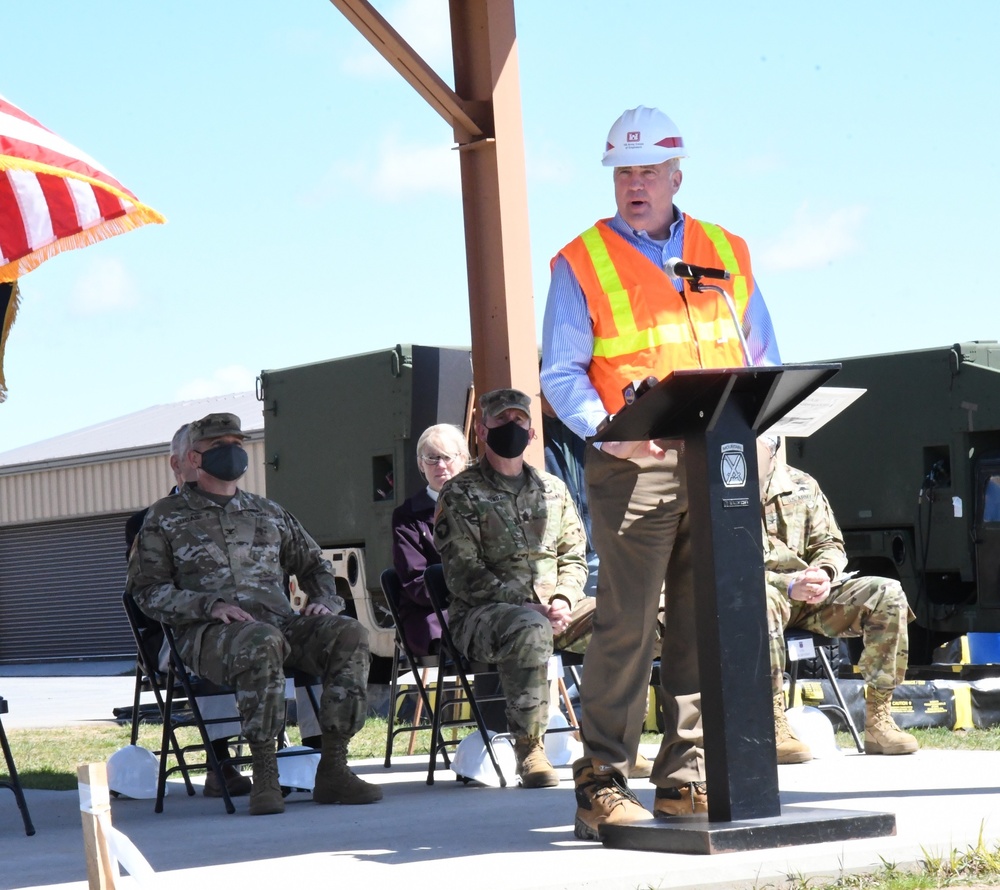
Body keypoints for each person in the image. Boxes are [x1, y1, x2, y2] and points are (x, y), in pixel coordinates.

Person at [539, 105, 781, 839]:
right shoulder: (580, 260)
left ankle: (685, 778)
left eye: (648, 170)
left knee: (701, 624)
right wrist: (606, 435)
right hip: (634, 464)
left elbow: (761, 354)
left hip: (717, 461)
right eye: (624, 172)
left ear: (678, 174)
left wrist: (763, 435)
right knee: (629, 624)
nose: (634, 183)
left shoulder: (726, 250)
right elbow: (561, 371)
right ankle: (601, 781)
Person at [127, 412, 382, 816]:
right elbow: (145, 590)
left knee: (348, 633)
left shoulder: (267, 512)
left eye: (237, 444)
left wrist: (324, 600)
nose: (231, 453)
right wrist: (208, 605)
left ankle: (333, 769)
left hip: (279, 625)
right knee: (261, 640)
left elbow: (316, 564)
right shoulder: (164, 518)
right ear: (193, 459)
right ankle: (264, 775)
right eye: (218, 447)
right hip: (207, 634)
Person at [433, 389, 592, 788]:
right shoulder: (461, 493)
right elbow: (463, 571)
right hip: (483, 616)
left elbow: (574, 556)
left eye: (519, 421)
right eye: (502, 422)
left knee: (627, 618)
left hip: (554, 610)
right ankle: (529, 749)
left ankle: (608, 741)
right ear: (483, 432)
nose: (512, 428)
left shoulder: (553, 489)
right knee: (528, 627)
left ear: (533, 432)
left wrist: (562, 598)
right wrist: (525, 605)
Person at [758, 437, 919, 760]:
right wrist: (788, 584)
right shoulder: (723, 485)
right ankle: (773, 723)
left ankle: (878, 720)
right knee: (761, 600)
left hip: (812, 598)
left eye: (756, 448)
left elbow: (830, 542)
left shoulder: (802, 485)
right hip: (762, 593)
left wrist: (824, 573)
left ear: (773, 450)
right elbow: (722, 564)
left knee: (886, 593)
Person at [125, 423, 250, 799]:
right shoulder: (149, 522)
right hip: (174, 633)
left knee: (309, 645)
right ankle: (221, 763)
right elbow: (147, 596)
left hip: (246, 624)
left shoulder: (247, 512)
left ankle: (310, 759)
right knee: (210, 647)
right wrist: (207, 608)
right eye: (205, 453)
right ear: (179, 463)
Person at [391, 423, 470, 657]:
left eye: (447, 457)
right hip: (432, 611)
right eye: (432, 458)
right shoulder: (407, 516)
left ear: (464, 459)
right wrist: (471, 591)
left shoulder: (483, 505)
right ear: (420, 464)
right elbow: (415, 581)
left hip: (486, 603)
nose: (441, 466)